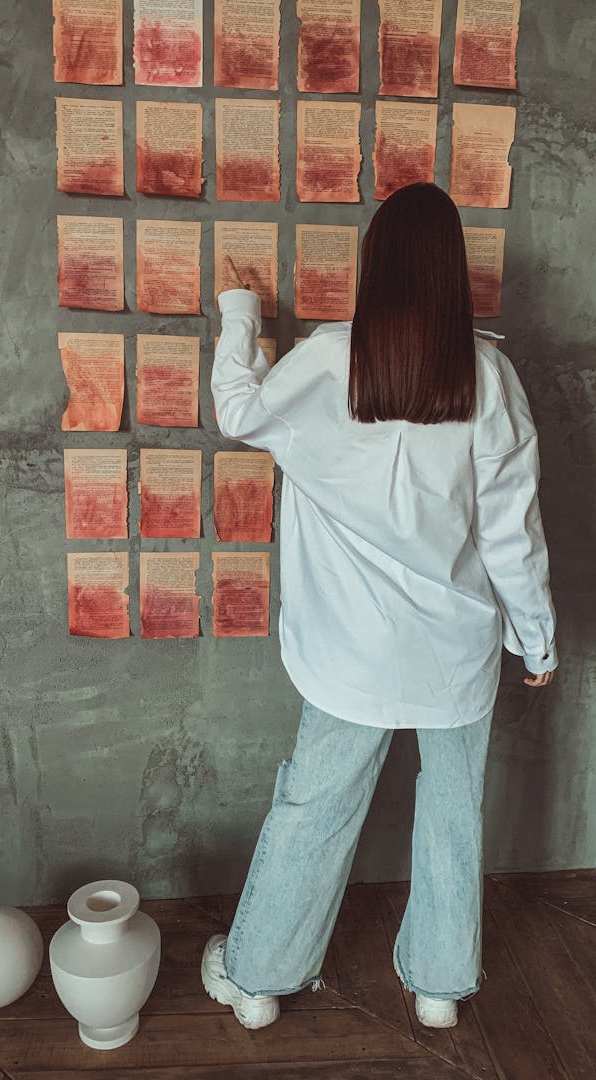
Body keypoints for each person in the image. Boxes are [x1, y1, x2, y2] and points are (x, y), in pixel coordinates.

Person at [200, 183, 557, 1032]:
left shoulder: (330, 359)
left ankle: (257, 979)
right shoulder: (491, 378)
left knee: (314, 805)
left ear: (375, 266)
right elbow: (514, 533)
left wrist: (241, 309)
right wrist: (536, 642)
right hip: (457, 652)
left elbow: (238, 411)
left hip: (347, 654)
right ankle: (438, 985)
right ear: (451, 274)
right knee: (452, 809)